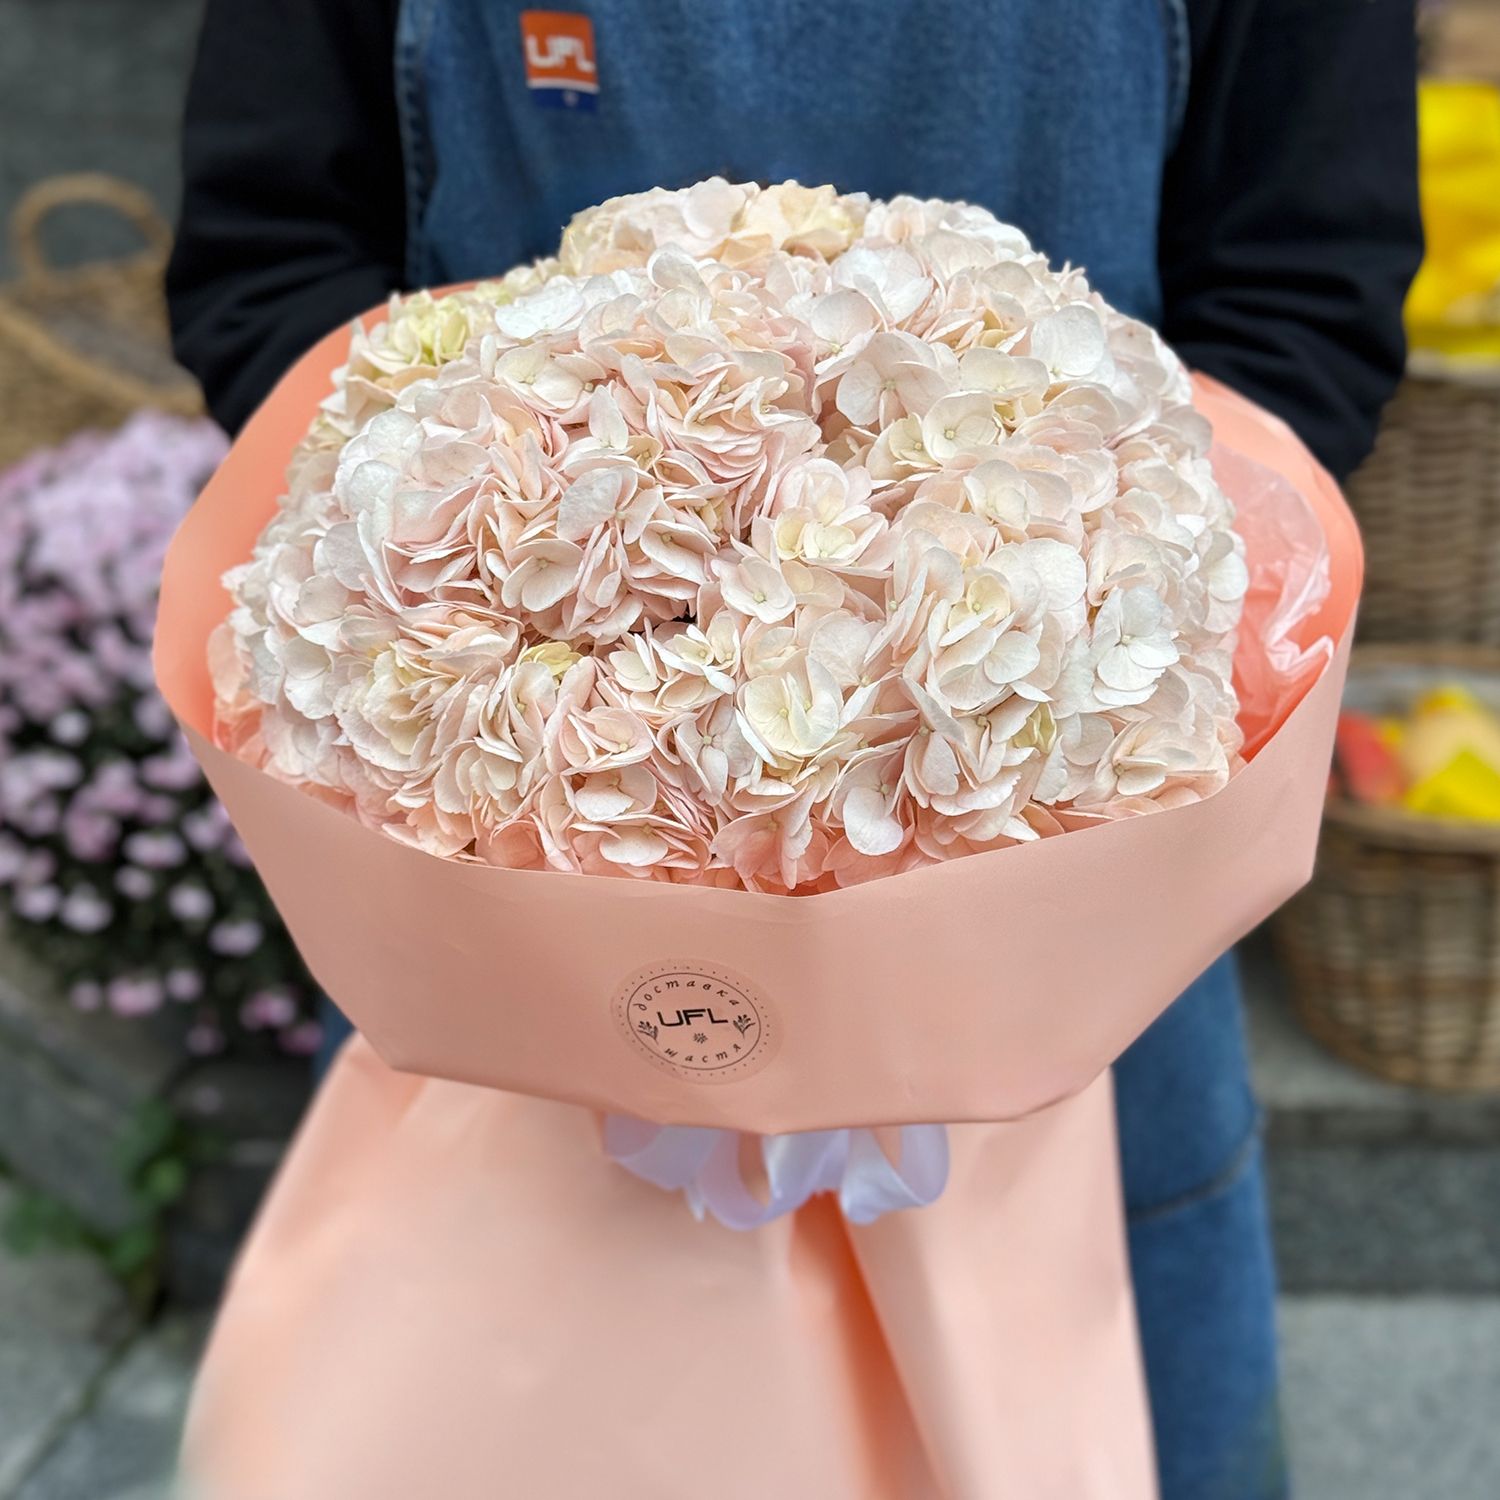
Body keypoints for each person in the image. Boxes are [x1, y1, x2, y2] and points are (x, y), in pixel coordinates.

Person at [166, 4, 1421, 1496]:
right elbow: (271, 255)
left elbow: (1302, 292)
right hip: (492, 930)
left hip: (1087, 943)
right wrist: (491, 647)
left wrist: (1091, 640)